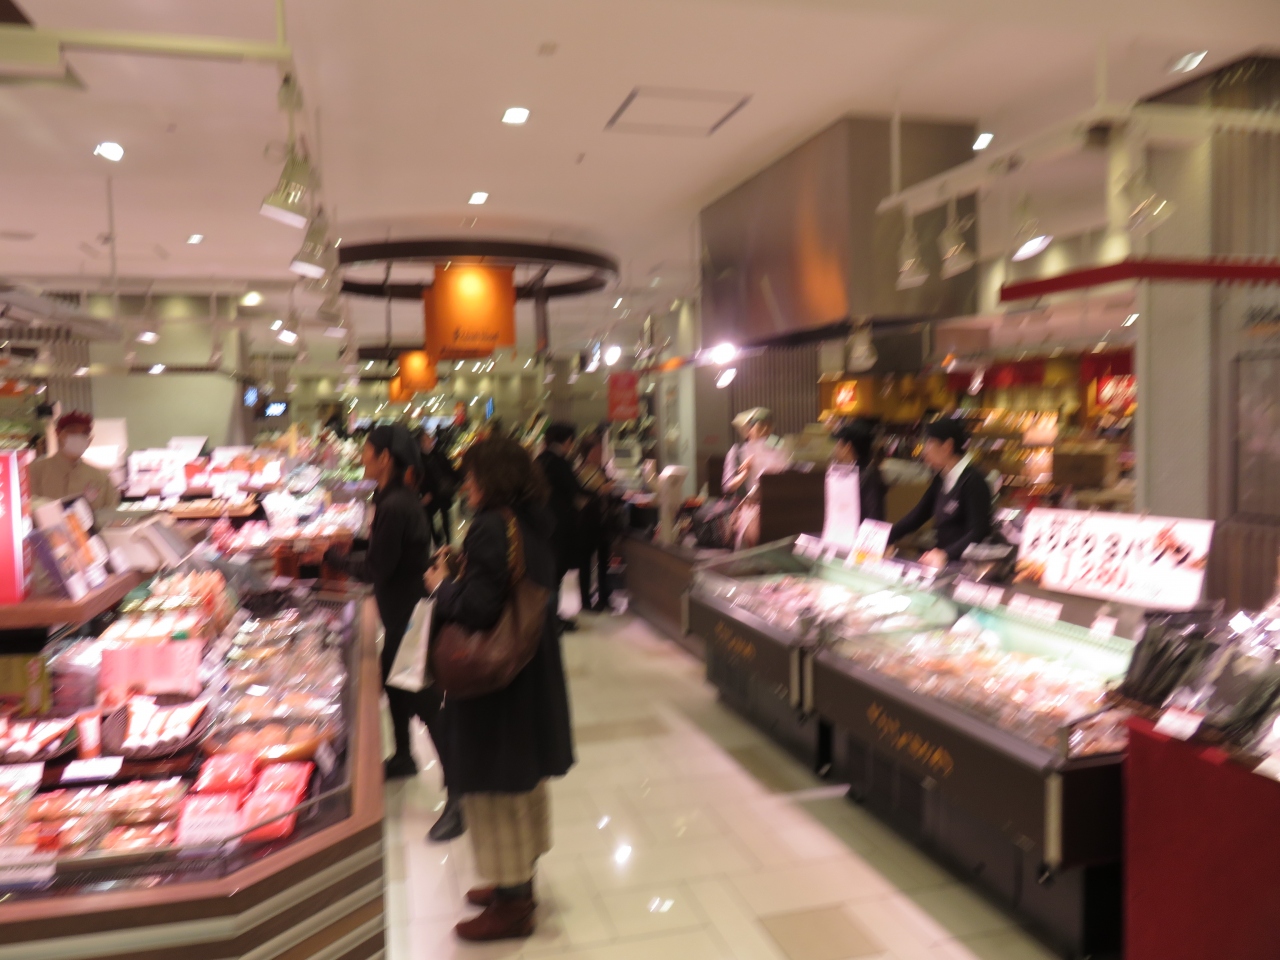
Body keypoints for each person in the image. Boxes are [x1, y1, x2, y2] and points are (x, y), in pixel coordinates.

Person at [425, 436, 575, 942]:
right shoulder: (532, 519)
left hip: (496, 682)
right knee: (519, 778)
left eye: (471, 476)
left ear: (492, 479)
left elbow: (479, 607)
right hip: (526, 667)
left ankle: (512, 906)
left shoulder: (491, 525)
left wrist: (442, 586)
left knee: (496, 781)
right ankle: (516, 883)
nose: (465, 485)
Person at [323, 425, 463, 837]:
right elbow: (385, 555)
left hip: (410, 619)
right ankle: (404, 756)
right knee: (394, 685)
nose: (362, 456)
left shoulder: (396, 505)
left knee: (426, 702)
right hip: (403, 613)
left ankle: (461, 796)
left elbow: (377, 568)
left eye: (367, 450)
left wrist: (334, 559)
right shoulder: (393, 499)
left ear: (385, 458)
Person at [888, 418, 992, 567]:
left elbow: (979, 531)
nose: (924, 450)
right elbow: (918, 515)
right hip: (942, 564)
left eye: (930, 443)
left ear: (947, 446)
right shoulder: (941, 478)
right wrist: (886, 536)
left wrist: (946, 554)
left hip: (965, 567)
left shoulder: (974, 481)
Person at [535, 423, 588, 631]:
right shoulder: (559, 462)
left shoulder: (540, 460)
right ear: (567, 441)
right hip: (559, 524)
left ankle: (547, 617)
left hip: (542, 522)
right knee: (556, 572)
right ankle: (552, 620)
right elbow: (576, 489)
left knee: (548, 572)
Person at [28, 411, 120, 509]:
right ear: (58, 433)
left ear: (89, 440)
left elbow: (111, 513)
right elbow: (27, 508)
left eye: (84, 433)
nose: (78, 437)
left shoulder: (100, 477)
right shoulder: (35, 471)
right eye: (72, 431)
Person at [574, 433, 614, 613]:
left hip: (602, 521)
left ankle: (604, 598)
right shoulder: (581, 472)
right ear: (587, 452)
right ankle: (585, 601)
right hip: (586, 523)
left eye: (601, 451)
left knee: (604, 561)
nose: (600, 455)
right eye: (596, 451)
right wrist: (601, 490)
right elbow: (580, 499)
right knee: (586, 563)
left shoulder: (601, 470)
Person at [832, 419, 887, 523]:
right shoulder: (857, 473)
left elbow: (874, 519)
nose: (835, 449)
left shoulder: (868, 477)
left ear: (847, 448)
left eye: (838, 444)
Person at [417, 428, 459, 547]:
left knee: (445, 516)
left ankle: (447, 542)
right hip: (430, 494)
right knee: (430, 519)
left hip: (442, 492)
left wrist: (456, 483)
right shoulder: (419, 459)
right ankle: (438, 542)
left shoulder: (439, 454)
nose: (429, 441)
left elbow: (449, 470)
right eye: (426, 439)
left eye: (429, 438)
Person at [720, 409, 756, 498]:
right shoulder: (737, 450)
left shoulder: (773, 447)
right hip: (744, 502)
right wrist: (745, 472)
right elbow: (728, 488)